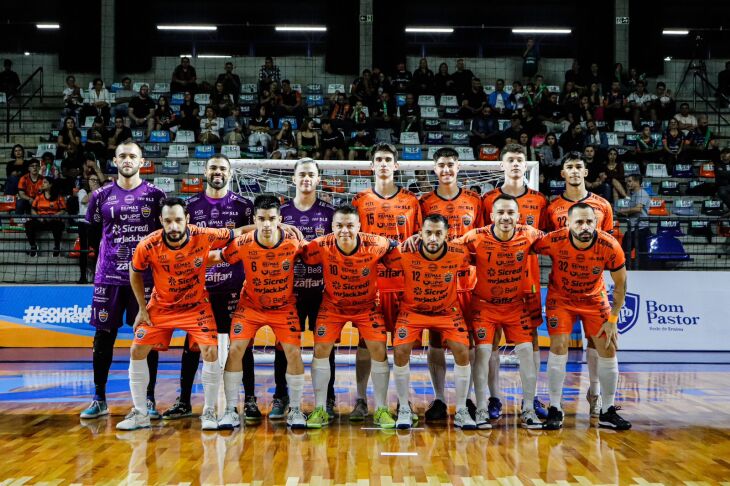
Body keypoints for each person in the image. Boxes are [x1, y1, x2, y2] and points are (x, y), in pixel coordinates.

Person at [116, 197, 238, 431]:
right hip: (161, 306)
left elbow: (237, 232)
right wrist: (142, 308)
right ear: (161, 220)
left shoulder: (203, 234)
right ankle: (140, 413)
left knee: (211, 350)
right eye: (168, 221)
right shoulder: (148, 244)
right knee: (136, 349)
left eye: (178, 220)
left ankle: (210, 411)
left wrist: (275, 226)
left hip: (196, 306)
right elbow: (135, 272)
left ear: (187, 220)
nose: (173, 226)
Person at [161, 155, 254, 422]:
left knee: (242, 345)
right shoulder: (189, 206)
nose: (217, 172)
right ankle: (184, 401)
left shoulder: (243, 205)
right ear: (204, 170)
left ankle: (249, 402)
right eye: (213, 167)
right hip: (199, 289)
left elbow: (251, 241)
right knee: (192, 346)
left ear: (230, 173)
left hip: (235, 287)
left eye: (222, 168)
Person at [79, 142, 166, 421]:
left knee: (147, 338)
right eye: (123, 156)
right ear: (115, 161)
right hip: (109, 277)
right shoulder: (101, 195)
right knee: (104, 336)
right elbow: (92, 233)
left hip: (146, 278)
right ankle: (99, 398)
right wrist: (104, 261)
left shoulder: (156, 196)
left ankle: (149, 399)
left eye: (133, 156)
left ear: (142, 161)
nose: (127, 160)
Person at [300, 204, 399, 429]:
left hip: (366, 306)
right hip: (333, 306)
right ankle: (319, 409)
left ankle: (381, 408)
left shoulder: (376, 244)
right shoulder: (321, 245)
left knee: (379, 350)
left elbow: (396, 247)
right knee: (320, 350)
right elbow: (301, 253)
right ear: (332, 226)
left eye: (350, 225)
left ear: (359, 226)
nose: (345, 230)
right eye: (340, 226)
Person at [533, 203, 631, 430]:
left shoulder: (610, 244)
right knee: (558, 346)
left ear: (596, 222)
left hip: (594, 300)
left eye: (589, 221)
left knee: (608, 347)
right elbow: (527, 247)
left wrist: (613, 319)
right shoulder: (554, 240)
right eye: (579, 222)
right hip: (561, 300)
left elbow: (620, 284)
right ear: (568, 223)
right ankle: (555, 408)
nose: (585, 226)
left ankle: (607, 409)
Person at [215, 195, 308, 430]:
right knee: (235, 349)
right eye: (262, 219)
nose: (267, 224)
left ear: (280, 219)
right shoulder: (244, 242)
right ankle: (230, 410)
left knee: (293, 352)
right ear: (254, 219)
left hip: (283, 307)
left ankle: (295, 409)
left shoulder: (294, 242)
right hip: (251, 306)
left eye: (272, 219)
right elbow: (218, 257)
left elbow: (320, 252)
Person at [459, 195, 545, 429]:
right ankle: (481, 409)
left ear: (518, 216)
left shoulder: (530, 234)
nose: (506, 217)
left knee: (527, 353)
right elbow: (449, 248)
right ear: (491, 216)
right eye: (501, 213)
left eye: (510, 213)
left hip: (516, 307)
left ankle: (528, 408)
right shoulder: (475, 236)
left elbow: (558, 243)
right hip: (484, 306)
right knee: (483, 354)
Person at [350, 143, 422, 422]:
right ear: (371, 165)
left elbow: (419, 243)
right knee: (365, 344)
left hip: (404, 283)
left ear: (396, 166)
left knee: (404, 346)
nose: (383, 163)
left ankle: (405, 400)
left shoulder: (412, 202)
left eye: (388, 159)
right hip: (371, 284)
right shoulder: (359, 200)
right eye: (378, 159)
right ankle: (360, 399)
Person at [481, 145, 550, 422]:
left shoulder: (540, 200)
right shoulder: (487, 200)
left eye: (520, 160)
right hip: (493, 283)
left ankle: (529, 400)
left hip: (528, 282)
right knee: (491, 343)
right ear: (501, 165)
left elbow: (543, 240)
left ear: (526, 165)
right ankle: (494, 398)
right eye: (510, 160)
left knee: (530, 342)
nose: (515, 164)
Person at [387, 214, 475, 430]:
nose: (433, 238)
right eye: (428, 233)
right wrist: (392, 242)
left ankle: (462, 409)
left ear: (447, 235)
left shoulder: (459, 253)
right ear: (420, 234)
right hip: (412, 311)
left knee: (463, 350)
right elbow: (378, 256)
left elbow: (479, 256)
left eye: (438, 233)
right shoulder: (403, 253)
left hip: (447, 311)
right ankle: (404, 408)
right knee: (399, 350)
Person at [545, 151, 614, 418]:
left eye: (578, 167)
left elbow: (608, 246)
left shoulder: (603, 206)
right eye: (569, 167)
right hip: (561, 291)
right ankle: (555, 405)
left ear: (585, 173)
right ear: (562, 174)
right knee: (558, 345)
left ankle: (595, 392)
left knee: (599, 343)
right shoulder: (552, 208)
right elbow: (545, 242)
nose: (574, 171)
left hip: (593, 289)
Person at [417, 147, 482, 421]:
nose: (446, 170)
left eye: (451, 165)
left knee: (468, 342)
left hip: (467, 280)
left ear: (459, 168)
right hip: (435, 281)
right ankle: (440, 399)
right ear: (434, 169)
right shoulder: (424, 202)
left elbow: (483, 239)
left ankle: (468, 399)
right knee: (434, 338)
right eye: (441, 165)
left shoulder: (475, 200)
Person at [277, 159, 336, 421]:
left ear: (318, 179)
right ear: (293, 179)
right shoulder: (280, 213)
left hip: (322, 291)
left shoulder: (330, 212)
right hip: (290, 291)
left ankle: (328, 398)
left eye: (311, 175)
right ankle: (282, 396)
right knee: (285, 345)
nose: (306, 179)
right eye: (301, 175)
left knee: (325, 346)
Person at [616, 173, 651, 269]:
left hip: (641, 229)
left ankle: (642, 275)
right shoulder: (634, 195)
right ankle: (625, 271)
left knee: (641, 255)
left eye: (630, 181)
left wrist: (623, 211)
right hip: (633, 228)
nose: (627, 183)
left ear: (637, 182)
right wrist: (624, 213)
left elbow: (638, 209)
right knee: (623, 252)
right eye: (627, 181)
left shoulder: (641, 193)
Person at [25, 178, 66, 256]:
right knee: (28, 224)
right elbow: (33, 209)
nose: (42, 184)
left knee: (58, 225)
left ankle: (57, 247)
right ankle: (33, 247)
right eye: (42, 182)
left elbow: (63, 210)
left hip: (53, 220)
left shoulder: (58, 197)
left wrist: (53, 216)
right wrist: (38, 217)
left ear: (50, 185)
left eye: (45, 182)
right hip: (41, 220)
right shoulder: (39, 197)